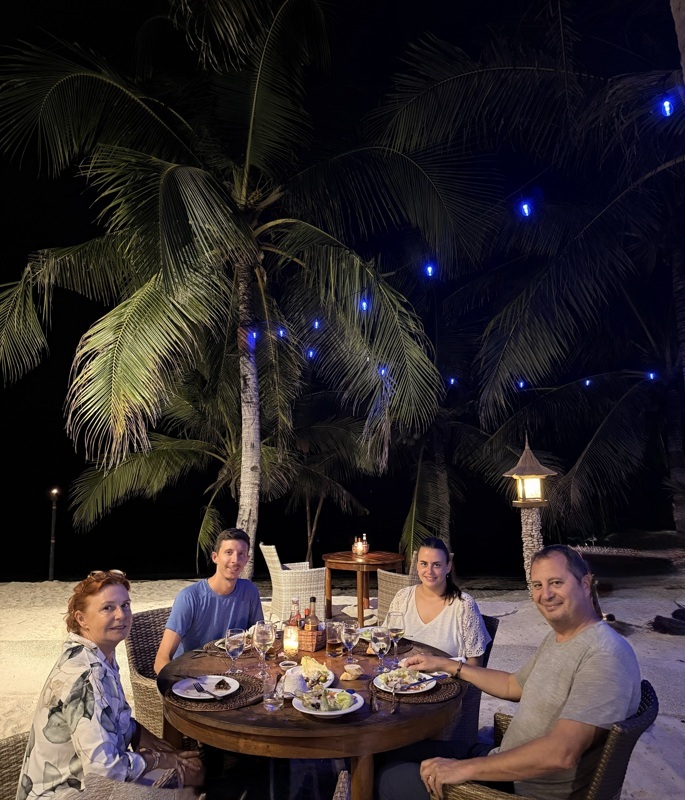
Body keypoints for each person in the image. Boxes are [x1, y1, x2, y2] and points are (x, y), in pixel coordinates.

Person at [377, 544, 642, 800]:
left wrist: (462, 769)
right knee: (393, 751)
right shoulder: (561, 638)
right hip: (502, 758)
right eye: (538, 585)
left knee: (390, 776)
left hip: (521, 788)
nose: (545, 594)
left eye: (556, 583)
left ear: (585, 584)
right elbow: (511, 686)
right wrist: (447, 665)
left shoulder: (604, 654)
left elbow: (562, 753)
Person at [17, 570, 204, 799]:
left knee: (190, 767)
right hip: (70, 791)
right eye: (108, 608)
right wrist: (160, 759)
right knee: (192, 779)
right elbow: (105, 770)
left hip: (87, 781)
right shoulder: (87, 677)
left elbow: (121, 720)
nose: (121, 615)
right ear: (81, 618)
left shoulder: (96, 655)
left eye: (125, 605)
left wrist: (165, 749)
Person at [154, 528, 263, 674]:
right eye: (229, 552)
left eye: (241, 554)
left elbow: (258, 636)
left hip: (232, 670)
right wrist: (177, 685)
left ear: (247, 559)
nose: (235, 560)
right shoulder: (190, 597)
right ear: (215, 557)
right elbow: (161, 658)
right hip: (193, 674)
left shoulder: (250, 591)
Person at [384, 537, 491, 663]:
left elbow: (476, 662)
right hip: (402, 677)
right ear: (417, 566)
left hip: (446, 681)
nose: (429, 571)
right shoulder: (403, 597)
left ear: (448, 567)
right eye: (424, 564)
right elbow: (385, 638)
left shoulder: (463, 605)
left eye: (437, 565)